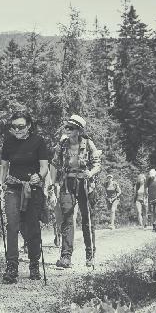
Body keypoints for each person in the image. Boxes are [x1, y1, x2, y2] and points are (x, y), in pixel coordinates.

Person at [0, 109, 49, 284]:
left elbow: (44, 167)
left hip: (32, 188)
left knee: (32, 226)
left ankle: (34, 263)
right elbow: (4, 166)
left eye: (21, 126)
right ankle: (12, 266)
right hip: (13, 187)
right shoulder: (8, 142)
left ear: (29, 126)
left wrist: (39, 176)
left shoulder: (38, 141)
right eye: (14, 127)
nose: (17, 130)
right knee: (12, 225)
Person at [50, 114, 101, 268]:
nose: (67, 129)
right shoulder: (62, 144)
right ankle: (66, 257)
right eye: (67, 127)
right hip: (67, 183)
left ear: (79, 130)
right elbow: (54, 164)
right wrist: (52, 184)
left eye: (71, 128)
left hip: (85, 183)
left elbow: (97, 164)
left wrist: (90, 173)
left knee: (87, 219)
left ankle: (90, 255)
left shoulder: (88, 144)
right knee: (67, 217)